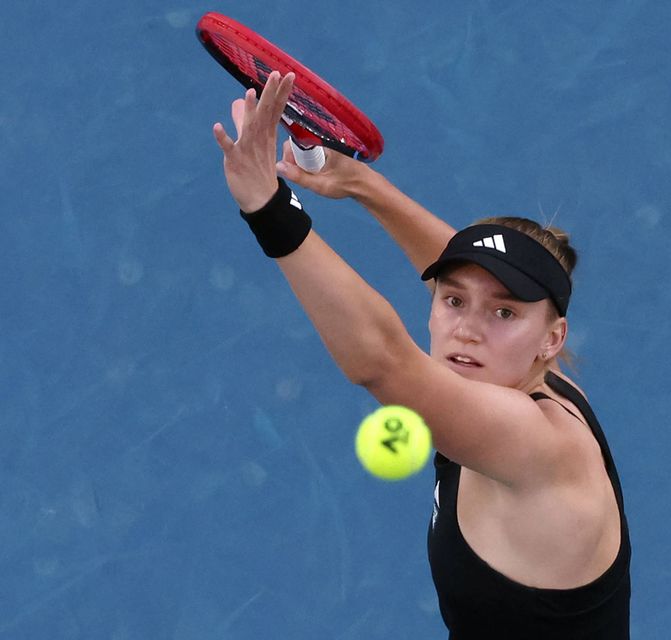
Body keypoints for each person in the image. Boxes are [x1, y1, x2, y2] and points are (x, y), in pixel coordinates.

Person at [212, 71, 631, 639]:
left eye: (504, 314)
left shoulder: (536, 443)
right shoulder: (528, 368)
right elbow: (464, 280)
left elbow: (382, 360)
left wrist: (269, 208)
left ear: (551, 339)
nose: (467, 331)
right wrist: (362, 184)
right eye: (451, 301)